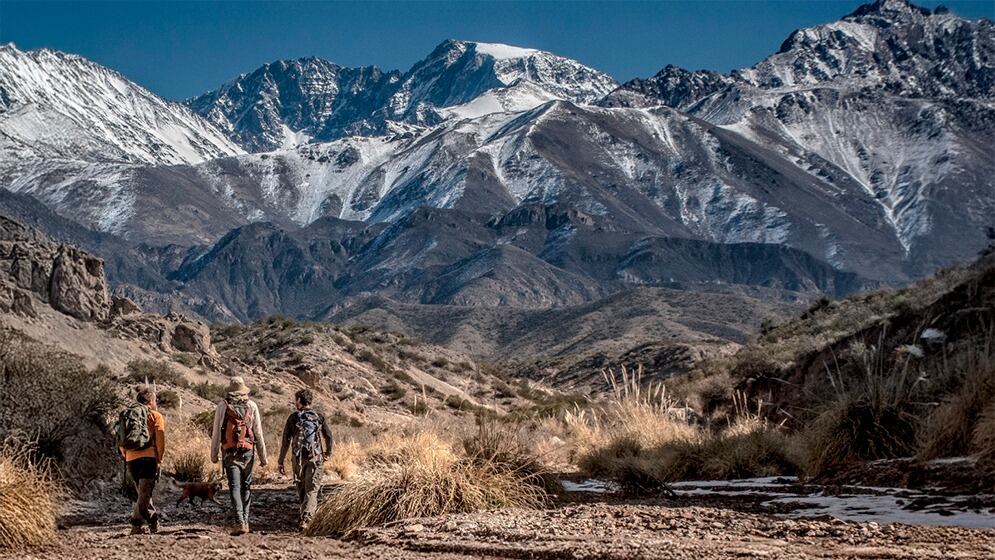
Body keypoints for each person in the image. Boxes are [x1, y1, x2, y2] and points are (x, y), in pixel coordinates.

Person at [210, 376, 267, 536]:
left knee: (234, 486)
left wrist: (213, 454)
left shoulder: (222, 406)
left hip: (229, 451)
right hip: (248, 451)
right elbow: (258, 433)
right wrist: (263, 457)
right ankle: (246, 521)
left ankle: (239, 521)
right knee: (246, 486)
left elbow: (216, 432)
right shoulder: (252, 405)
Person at [278, 388, 334, 531]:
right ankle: (306, 519)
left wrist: (280, 460)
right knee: (312, 490)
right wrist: (328, 453)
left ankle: (304, 517)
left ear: (299, 400)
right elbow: (328, 436)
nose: (294, 402)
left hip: (298, 459)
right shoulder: (319, 416)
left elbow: (285, 441)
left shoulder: (293, 417)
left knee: (302, 488)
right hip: (315, 457)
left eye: (295, 400)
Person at [117, 387, 166, 535]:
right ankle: (136, 524)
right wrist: (160, 458)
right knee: (144, 494)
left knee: (143, 493)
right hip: (148, 458)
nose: (156, 403)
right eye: (155, 400)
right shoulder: (156, 416)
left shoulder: (128, 415)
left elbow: (121, 438)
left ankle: (153, 522)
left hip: (131, 459)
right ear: (151, 401)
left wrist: (126, 454)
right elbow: (160, 441)